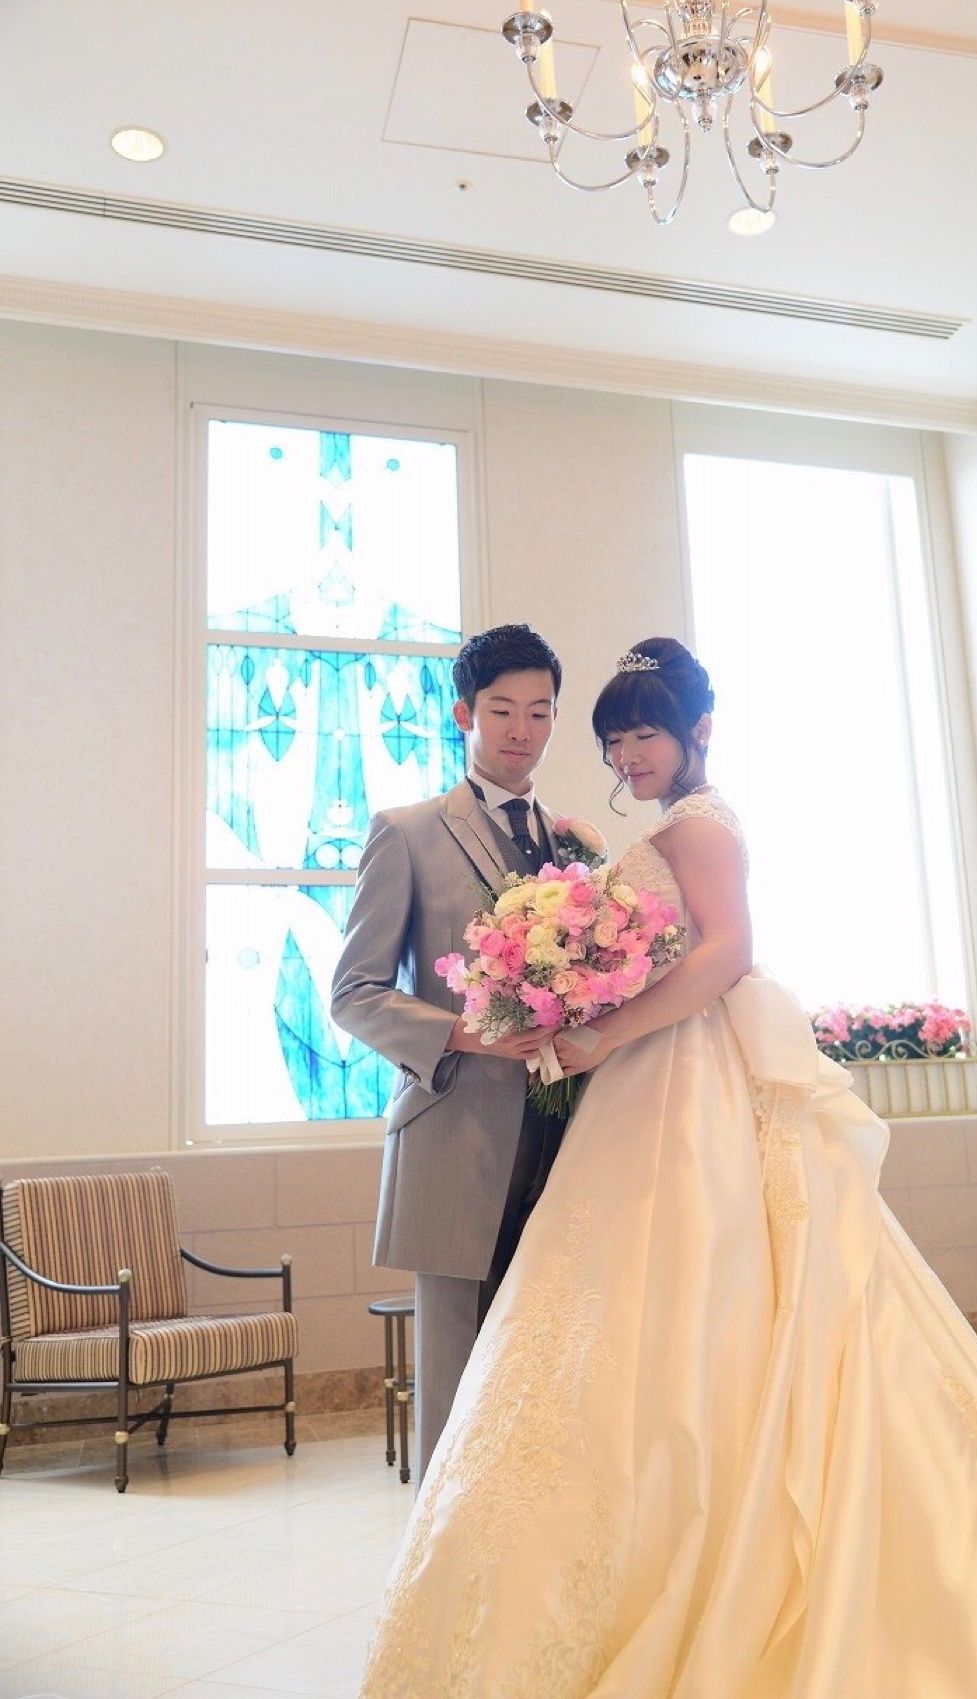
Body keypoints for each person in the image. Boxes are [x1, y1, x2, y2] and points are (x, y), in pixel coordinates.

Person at [357, 637, 977, 1698]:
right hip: (520, 1123)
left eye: (637, 732)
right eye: (614, 740)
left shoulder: (671, 828)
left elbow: (726, 952)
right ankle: (486, 1587)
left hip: (664, 1085)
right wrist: (540, 1015)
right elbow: (369, 989)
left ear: (695, 730)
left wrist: (601, 1034)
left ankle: (684, 1545)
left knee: (696, 1309)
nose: (622, 753)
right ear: (467, 714)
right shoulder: (447, 832)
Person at [331, 622, 588, 1486]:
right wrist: (468, 1031)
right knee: (455, 1383)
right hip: (455, 1135)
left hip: (568, 1138)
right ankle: (442, 1553)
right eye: (502, 709)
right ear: (463, 715)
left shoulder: (575, 845)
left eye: (539, 712)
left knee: (549, 1363)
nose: (521, 730)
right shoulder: (405, 832)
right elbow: (353, 992)